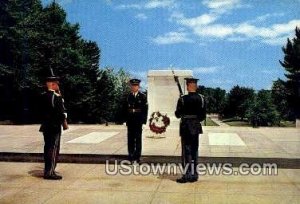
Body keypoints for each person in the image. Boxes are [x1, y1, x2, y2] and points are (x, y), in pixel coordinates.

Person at [175, 77, 206, 183]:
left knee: (186, 151)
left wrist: (181, 105)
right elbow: (202, 116)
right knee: (195, 151)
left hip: (186, 127)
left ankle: (187, 175)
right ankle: (194, 175)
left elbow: (177, 115)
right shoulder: (201, 98)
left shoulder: (183, 99)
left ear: (188, 86)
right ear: (196, 86)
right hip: (196, 127)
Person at [39, 73, 68, 180]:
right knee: (53, 149)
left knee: (47, 148)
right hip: (54, 127)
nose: (58, 85)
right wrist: (64, 116)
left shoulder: (44, 96)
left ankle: (48, 170)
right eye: (56, 84)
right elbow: (59, 112)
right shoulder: (55, 97)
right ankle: (50, 172)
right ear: (52, 84)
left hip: (46, 126)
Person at [121, 79, 148, 163]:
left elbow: (145, 110)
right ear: (131, 86)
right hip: (130, 120)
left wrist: (144, 122)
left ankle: (138, 156)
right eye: (133, 85)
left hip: (138, 121)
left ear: (138, 86)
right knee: (131, 139)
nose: (134, 87)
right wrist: (124, 120)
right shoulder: (127, 96)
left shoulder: (143, 96)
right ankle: (131, 156)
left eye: (136, 85)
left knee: (138, 139)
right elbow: (124, 109)